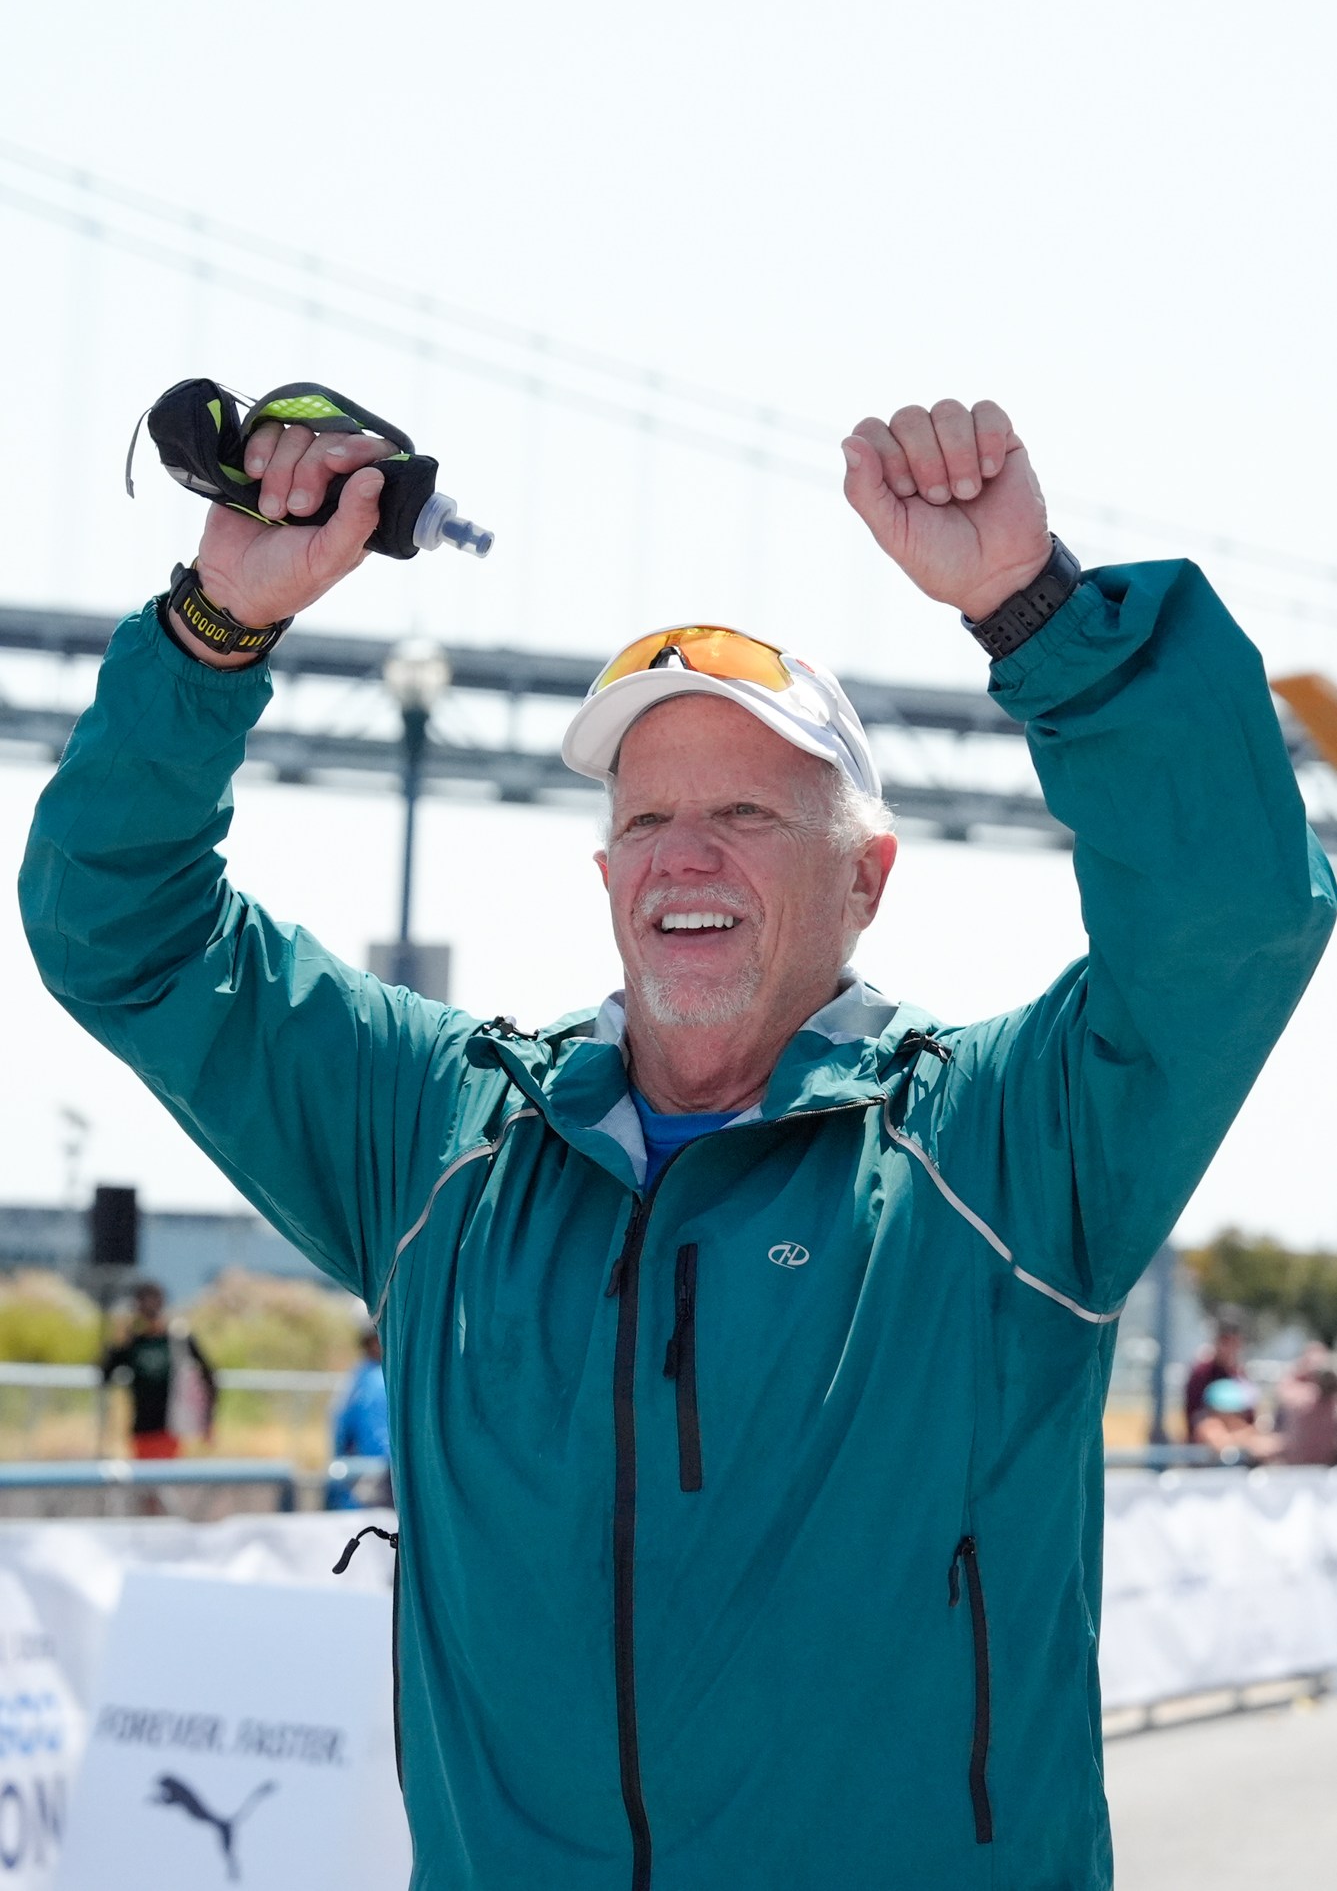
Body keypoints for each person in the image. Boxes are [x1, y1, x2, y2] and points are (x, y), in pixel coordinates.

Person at [20, 395, 1334, 1891]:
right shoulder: (442, 1139)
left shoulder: (1003, 1149)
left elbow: (1233, 910)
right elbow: (119, 928)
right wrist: (211, 632)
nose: (684, 858)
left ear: (869, 878)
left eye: (745, 814)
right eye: (644, 821)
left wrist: (1035, 609)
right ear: (603, 872)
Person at [101, 1280, 216, 1459]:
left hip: (172, 1424)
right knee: (144, 1480)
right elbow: (105, 1374)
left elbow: (209, 1374)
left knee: (165, 1478)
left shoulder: (178, 1339)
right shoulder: (133, 1343)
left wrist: (208, 1421)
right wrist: (118, 1339)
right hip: (141, 1426)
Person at [327, 1322, 392, 1508]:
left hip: (348, 1487)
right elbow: (381, 1445)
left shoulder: (357, 1374)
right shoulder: (378, 1381)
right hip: (370, 1491)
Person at [1184, 1308, 1257, 1442]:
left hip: (1241, 1442)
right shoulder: (1202, 1373)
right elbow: (1197, 1419)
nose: (1229, 1348)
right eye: (1225, 1342)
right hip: (1208, 1449)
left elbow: (1250, 1417)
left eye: (1234, 1342)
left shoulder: (1240, 1375)